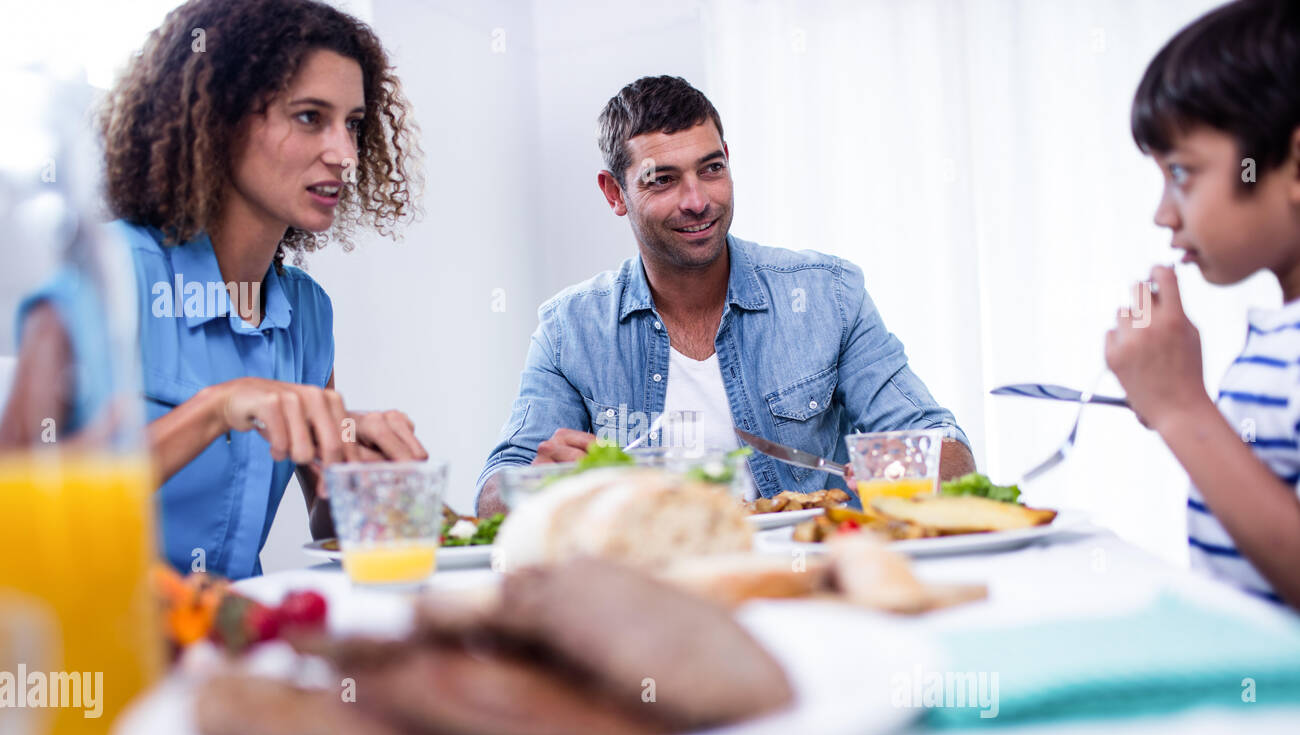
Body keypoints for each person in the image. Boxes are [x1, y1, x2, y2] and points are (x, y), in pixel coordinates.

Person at [2, 0, 427, 578]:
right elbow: (20, 511)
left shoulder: (307, 312)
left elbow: (328, 528)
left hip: (228, 640)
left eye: (352, 124)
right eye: (310, 117)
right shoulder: (105, 276)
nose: (345, 155)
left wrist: (360, 476)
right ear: (217, 119)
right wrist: (215, 409)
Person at [476, 75, 973, 516]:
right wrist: (535, 483)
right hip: (650, 589)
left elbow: (948, 451)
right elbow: (493, 495)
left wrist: (888, 472)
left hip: (807, 579)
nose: (697, 201)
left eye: (711, 169)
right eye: (663, 180)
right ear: (614, 194)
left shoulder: (829, 296)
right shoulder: (570, 330)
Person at [1110, 0, 1300, 608]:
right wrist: (1166, 397)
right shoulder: (1278, 337)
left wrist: (1181, 408)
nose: (1163, 214)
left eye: (1183, 174)